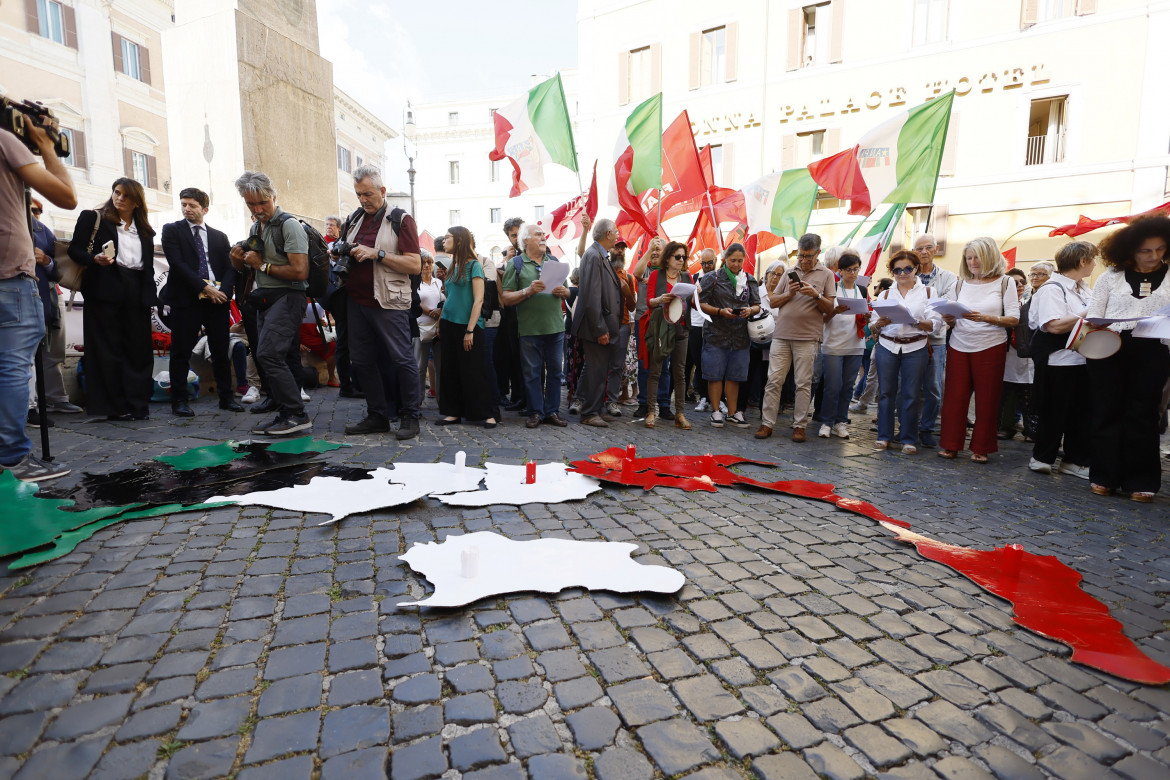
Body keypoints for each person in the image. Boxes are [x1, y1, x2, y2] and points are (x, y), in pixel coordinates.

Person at [0, 111, 77, 481]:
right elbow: (66, 196)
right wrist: (47, 146)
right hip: (9, 277)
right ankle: (13, 458)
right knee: (13, 367)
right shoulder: (4, 140)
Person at [1083, 216, 1170, 501]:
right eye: (1146, 251)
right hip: (1110, 347)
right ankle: (1104, 475)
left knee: (1143, 413)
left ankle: (1141, 480)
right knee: (1106, 410)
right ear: (1130, 250)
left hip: (1152, 350)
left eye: (1159, 249)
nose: (1154, 256)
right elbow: (1094, 314)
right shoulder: (1110, 277)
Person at [334, 165, 422, 439]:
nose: (363, 199)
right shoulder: (354, 218)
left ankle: (410, 415)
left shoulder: (401, 219)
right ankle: (377, 415)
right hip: (357, 301)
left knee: (402, 358)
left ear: (382, 191)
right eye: (359, 194)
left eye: (368, 194)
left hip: (389, 301)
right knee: (361, 360)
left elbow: (415, 264)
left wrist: (377, 253)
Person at [229, 171, 311, 436]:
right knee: (273, 355)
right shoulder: (257, 227)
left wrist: (261, 263)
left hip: (289, 297)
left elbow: (300, 272)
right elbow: (250, 270)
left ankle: (296, 414)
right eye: (251, 204)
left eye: (262, 202)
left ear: (274, 196)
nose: (257, 209)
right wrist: (236, 259)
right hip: (266, 298)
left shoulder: (290, 225)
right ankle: (285, 411)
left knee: (267, 354)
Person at [69, 178, 157, 421]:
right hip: (104, 289)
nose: (120, 198)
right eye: (117, 192)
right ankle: (113, 407)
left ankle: (138, 405)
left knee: (139, 351)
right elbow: (74, 250)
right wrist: (94, 259)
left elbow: (147, 266)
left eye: (126, 195)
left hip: (137, 290)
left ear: (137, 201)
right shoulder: (93, 217)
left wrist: (151, 295)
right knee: (107, 351)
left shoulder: (146, 230)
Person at [160, 187, 242, 417]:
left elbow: (228, 268)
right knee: (181, 351)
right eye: (184, 204)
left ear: (204, 209)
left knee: (220, 350)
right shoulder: (171, 230)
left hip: (217, 301)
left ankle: (227, 398)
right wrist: (205, 288)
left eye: (192, 205)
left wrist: (223, 292)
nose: (187, 209)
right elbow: (177, 264)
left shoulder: (219, 236)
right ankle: (179, 400)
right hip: (187, 300)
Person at [938, 237, 1020, 463]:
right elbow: (952, 318)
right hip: (958, 344)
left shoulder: (1005, 283)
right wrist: (948, 318)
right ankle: (950, 445)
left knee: (988, 399)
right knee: (954, 398)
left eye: (977, 258)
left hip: (990, 345)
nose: (973, 262)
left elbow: (1014, 319)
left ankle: (981, 447)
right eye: (969, 258)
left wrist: (986, 318)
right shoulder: (959, 284)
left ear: (990, 257)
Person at [757, 233, 836, 443]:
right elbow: (773, 302)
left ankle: (799, 426)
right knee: (774, 380)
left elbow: (830, 307)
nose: (803, 260)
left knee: (803, 383)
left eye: (808, 256)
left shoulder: (827, 275)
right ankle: (767, 423)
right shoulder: (790, 271)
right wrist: (789, 294)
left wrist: (816, 295)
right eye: (800, 255)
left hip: (808, 337)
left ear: (818, 253)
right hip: (782, 335)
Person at [1027, 241, 1097, 478]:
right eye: (1093, 259)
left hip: (1082, 359)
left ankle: (1073, 461)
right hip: (1059, 361)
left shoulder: (1084, 289)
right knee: (1055, 411)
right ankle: (1042, 457)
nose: (1096, 265)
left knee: (1081, 413)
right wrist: (1089, 313)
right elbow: (1054, 325)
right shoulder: (1053, 288)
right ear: (1083, 261)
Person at [870, 250, 945, 452]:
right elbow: (872, 325)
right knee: (886, 392)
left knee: (911, 393)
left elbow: (937, 322)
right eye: (897, 270)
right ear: (892, 271)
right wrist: (878, 322)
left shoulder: (928, 292)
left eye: (908, 269)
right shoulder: (886, 293)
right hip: (888, 344)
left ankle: (909, 438)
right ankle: (884, 436)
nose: (902, 273)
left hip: (916, 345)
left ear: (916, 269)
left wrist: (918, 322)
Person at [501, 223, 570, 429]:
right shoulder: (516, 264)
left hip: (555, 327)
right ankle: (536, 412)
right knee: (532, 373)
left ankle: (552, 412)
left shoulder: (554, 261)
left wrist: (563, 292)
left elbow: (567, 292)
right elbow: (505, 297)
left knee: (556, 372)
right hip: (530, 329)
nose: (543, 237)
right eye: (538, 234)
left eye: (543, 235)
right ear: (525, 241)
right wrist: (527, 291)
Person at [436, 227, 496, 427]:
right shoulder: (453, 265)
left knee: (475, 371)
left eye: (448, 237)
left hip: (468, 325)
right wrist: (440, 322)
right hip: (448, 323)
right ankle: (453, 412)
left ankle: (488, 413)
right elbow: (451, 297)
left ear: (460, 240)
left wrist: (470, 330)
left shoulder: (474, 266)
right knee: (450, 370)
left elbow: (478, 300)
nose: (444, 241)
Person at [698, 243, 761, 428]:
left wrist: (750, 310)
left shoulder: (749, 279)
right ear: (725, 259)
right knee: (715, 374)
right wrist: (719, 311)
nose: (736, 264)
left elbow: (757, 304)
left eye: (740, 261)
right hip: (716, 333)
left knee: (735, 375)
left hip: (740, 336)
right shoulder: (712, 278)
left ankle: (733, 413)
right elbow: (700, 302)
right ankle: (716, 411)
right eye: (732, 260)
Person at [29, 197, 81, 417]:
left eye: (37, 211)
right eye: (31, 210)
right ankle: (29, 404)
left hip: (49, 294)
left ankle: (56, 398)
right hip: (20, 294)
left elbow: (60, 267)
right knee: (24, 354)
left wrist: (45, 261)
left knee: (54, 351)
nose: (34, 214)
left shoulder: (43, 231)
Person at [573, 218, 623, 427]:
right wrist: (600, 328)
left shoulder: (598, 255)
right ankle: (589, 412)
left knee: (600, 370)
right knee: (595, 370)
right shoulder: (594, 255)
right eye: (616, 232)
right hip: (596, 327)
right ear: (608, 234)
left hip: (602, 325)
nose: (618, 236)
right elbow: (592, 296)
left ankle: (597, 409)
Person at [640, 241, 693, 429]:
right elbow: (649, 301)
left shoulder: (687, 277)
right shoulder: (656, 275)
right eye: (677, 256)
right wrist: (660, 299)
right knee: (655, 371)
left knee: (679, 373)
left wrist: (697, 294)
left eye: (683, 257)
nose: (681, 260)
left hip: (681, 329)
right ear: (668, 257)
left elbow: (693, 304)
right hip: (661, 329)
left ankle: (680, 413)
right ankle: (651, 412)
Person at [913, 233, 957, 447]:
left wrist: (919, 310)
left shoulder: (948, 277)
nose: (923, 252)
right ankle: (907, 428)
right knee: (909, 386)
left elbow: (946, 304)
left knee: (933, 387)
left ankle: (927, 428)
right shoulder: (907, 273)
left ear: (936, 249)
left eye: (928, 247)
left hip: (936, 339)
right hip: (909, 337)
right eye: (919, 248)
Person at [819, 250, 867, 439]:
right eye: (849, 270)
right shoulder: (832, 289)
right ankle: (826, 421)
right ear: (840, 271)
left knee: (847, 386)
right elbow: (822, 317)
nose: (853, 273)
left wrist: (867, 315)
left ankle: (840, 421)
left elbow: (863, 312)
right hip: (833, 343)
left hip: (855, 343)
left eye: (856, 269)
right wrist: (835, 311)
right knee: (833, 385)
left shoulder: (861, 290)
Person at [496, 217, 528, 412]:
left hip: (529, 310)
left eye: (518, 234)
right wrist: (507, 262)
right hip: (511, 313)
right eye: (512, 235)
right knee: (513, 356)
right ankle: (516, 395)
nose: (516, 239)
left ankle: (528, 397)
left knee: (529, 359)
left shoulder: (535, 251)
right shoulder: (507, 255)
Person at [998, 269, 1033, 441]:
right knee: (1008, 392)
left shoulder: (1032, 302)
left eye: (1022, 282)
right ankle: (1007, 426)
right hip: (1008, 354)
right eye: (1014, 282)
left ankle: (1031, 429)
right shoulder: (1001, 305)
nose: (1019, 286)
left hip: (1028, 355)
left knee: (1029, 393)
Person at [689, 249, 717, 411]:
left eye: (709, 263)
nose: (706, 266)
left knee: (713, 364)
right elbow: (690, 302)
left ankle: (717, 399)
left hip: (713, 326)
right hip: (696, 325)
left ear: (715, 260)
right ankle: (703, 397)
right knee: (699, 364)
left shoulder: (720, 278)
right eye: (703, 263)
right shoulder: (694, 278)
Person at [415, 249, 443, 401]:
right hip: (422, 326)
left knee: (440, 365)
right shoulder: (415, 283)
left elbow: (445, 298)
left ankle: (441, 399)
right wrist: (429, 311)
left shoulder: (438, 282)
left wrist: (439, 312)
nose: (427, 265)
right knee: (420, 366)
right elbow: (414, 301)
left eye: (429, 262)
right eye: (424, 262)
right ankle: (418, 400)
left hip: (438, 328)